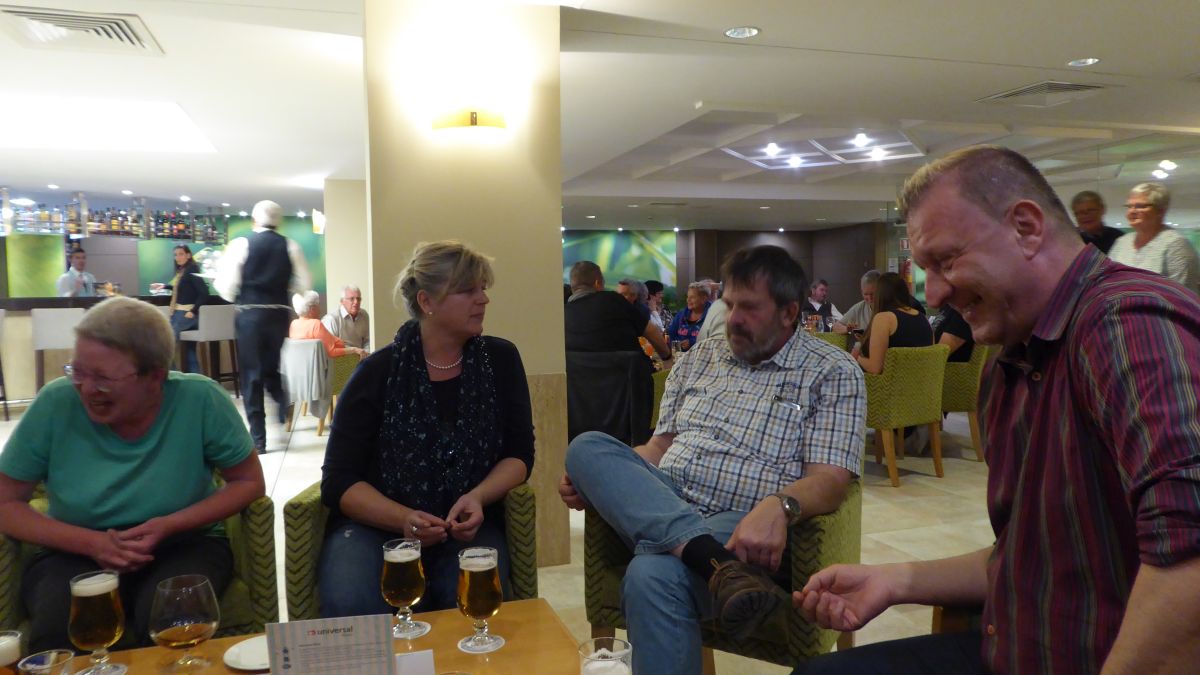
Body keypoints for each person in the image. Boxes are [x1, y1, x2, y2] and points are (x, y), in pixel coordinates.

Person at [794, 145, 1200, 674]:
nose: (935, 294)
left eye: (946, 261)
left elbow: (1190, 561)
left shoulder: (1127, 323)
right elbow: (1026, 557)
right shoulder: (1014, 362)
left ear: (1026, 227)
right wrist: (896, 580)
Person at [560, 245, 866, 675]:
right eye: (729, 304)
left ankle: (703, 554)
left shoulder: (832, 371)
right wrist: (610, 478)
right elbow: (658, 448)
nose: (733, 318)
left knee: (650, 575)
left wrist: (779, 505)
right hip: (670, 496)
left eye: (749, 307)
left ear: (789, 312)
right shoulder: (701, 357)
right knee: (587, 447)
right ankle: (710, 560)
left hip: (742, 521)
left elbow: (831, 480)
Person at [0, 297, 265, 653]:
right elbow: (6, 502)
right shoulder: (55, 404)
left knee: (172, 621)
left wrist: (168, 525)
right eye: (78, 371)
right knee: (61, 632)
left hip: (183, 543)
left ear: (155, 376)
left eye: (103, 378)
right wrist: (90, 543)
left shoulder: (199, 400)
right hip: (72, 551)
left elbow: (248, 481)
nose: (86, 389)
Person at [318, 241, 535, 617]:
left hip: (464, 526)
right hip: (375, 528)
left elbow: (519, 455)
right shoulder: (377, 372)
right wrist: (402, 518)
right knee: (351, 600)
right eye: (468, 290)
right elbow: (338, 481)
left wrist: (478, 497)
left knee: (469, 598)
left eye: (483, 288)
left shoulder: (500, 361)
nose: (483, 299)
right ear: (426, 301)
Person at [215, 200, 312, 455]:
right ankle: (281, 401)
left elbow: (225, 287)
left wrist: (240, 293)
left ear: (254, 220)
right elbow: (304, 284)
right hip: (279, 316)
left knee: (251, 375)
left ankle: (259, 440)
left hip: (250, 316)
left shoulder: (241, 244)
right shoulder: (290, 246)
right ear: (278, 221)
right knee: (271, 368)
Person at [565, 262, 670, 359]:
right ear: (597, 283)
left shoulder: (564, 313)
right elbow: (651, 331)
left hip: (580, 373)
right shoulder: (614, 300)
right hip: (628, 371)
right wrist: (667, 357)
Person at [1108, 182, 1200, 292]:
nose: (1132, 211)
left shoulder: (1176, 245)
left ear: (1160, 210)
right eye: (1129, 206)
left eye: (1140, 206)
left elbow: (1183, 295)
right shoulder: (1122, 242)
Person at [853, 272, 933, 375]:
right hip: (926, 383)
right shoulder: (923, 318)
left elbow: (875, 368)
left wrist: (856, 357)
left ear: (880, 294)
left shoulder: (883, 318)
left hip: (892, 384)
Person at [150, 245, 209, 373]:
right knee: (190, 351)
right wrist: (165, 286)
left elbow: (204, 293)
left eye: (181, 254)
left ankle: (173, 376)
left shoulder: (191, 268)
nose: (177, 257)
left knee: (166, 342)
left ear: (188, 255)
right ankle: (195, 380)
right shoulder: (184, 270)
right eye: (175, 255)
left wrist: (193, 311)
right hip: (184, 314)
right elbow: (185, 288)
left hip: (186, 314)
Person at [291, 291, 368, 359]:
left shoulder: (294, 324)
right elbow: (332, 351)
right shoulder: (316, 324)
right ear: (312, 309)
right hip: (333, 366)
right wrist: (354, 349)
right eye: (318, 306)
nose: (320, 309)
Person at [1070, 190, 1123, 254]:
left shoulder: (1119, 238)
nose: (1085, 216)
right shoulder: (1071, 242)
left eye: (1090, 210)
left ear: (1102, 210)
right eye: (1080, 212)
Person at [321, 284, 371, 351]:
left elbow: (368, 340)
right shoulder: (332, 319)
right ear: (342, 301)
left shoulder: (364, 315)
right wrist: (354, 351)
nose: (356, 302)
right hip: (343, 356)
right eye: (352, 299)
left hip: (363, 355)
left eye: (358, 299)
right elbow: (331, 348)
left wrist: (367, 353)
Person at [665, 282, 711, 351]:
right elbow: (670, 335)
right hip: (678, 355)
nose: (688, 300)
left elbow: (713, 340)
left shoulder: (712, 316)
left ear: (704, 299)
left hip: (702, 355)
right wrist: (677, 345)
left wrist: (692, 343)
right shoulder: (680, 315)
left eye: (692, 297)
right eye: (688, 297)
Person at [832, 270, 880, 335]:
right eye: (866, 294)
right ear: (861, 291)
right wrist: (848, 329)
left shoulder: (889, 308)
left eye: (873, 294)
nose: (870, 298)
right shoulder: (859, 307)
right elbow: (836, 326)